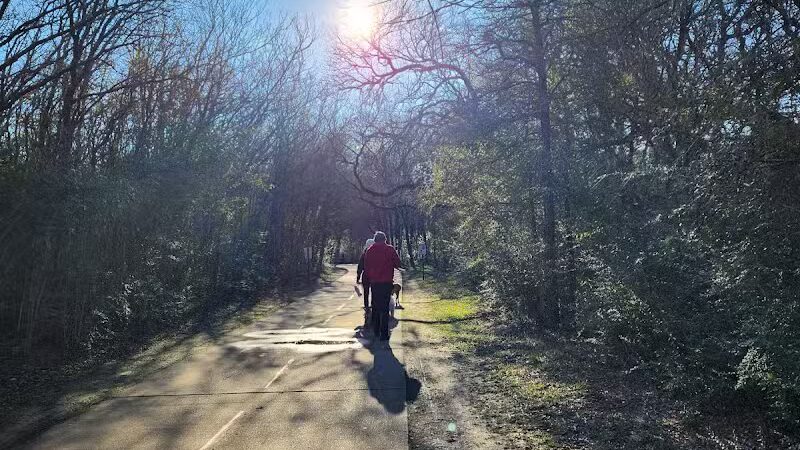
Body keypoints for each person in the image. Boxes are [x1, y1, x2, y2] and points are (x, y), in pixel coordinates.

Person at [363, 231, 401, 341]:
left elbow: (367, 267)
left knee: (375, 305)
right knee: (384, 308)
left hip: (375, 282)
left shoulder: (369, 251)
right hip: (386, 282)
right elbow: (397, 263)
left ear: (375, 240)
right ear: (384, 239)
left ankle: (376, 330)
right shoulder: (390, 249)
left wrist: (370, 278)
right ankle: (384, 334)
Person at [356, 238, 374, 310]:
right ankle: (373, 305)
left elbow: (360, 266)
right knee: (374, 291)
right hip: (375, 275)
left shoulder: (364, 254)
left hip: (366, 275)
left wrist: (358, 277)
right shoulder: (377, 254)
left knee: (366, 291)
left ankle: (366, 305)